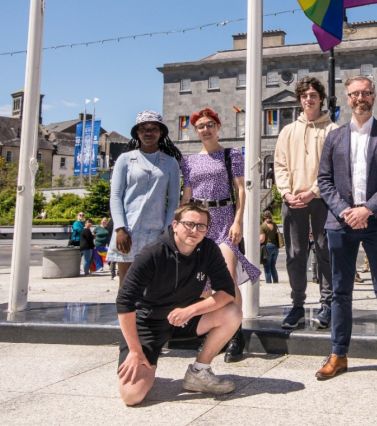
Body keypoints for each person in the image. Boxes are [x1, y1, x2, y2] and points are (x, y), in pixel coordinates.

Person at [315, 75, 377, 387]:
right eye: (354, 94)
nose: (360, 98)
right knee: (340, 292)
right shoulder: (334, 138)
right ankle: (338, 354)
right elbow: (324, 180)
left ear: (374, 96)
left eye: (365, 93)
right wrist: (345, 210)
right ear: (347, 97)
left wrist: (368, 209)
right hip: (340, 224)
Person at [116, 204, 242, 406]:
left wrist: (191, 310)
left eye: (201, 226)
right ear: (175, 225)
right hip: (149, 324)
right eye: (189, 224)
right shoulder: (152, 253)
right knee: (132, 396)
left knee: (232, 312)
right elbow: (124, 301)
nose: (195, 230)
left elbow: (227, 292)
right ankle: (148, 366)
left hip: (185, 317)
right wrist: (135, 350)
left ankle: (199, 372)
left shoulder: (208, 249)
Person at [180, 107, 261, 363]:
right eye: (201, 126)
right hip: (199, 223)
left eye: (209, 125)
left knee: (226, 276)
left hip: (224, 220)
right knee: (202, 281)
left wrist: (238, 221)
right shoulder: (189, 161)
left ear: (218, 127)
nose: (205, 129)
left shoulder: (231, 154)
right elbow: (187, 196)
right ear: (195, 131)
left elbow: (241, 191)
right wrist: (180, 223)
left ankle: (237, 332)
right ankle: (213, 327)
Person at [274, 76, 337, 330]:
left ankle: (328, 305)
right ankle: (297, 305)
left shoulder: (332, 130)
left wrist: (313, 192)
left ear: (321, 98)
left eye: (313, 95)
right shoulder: (288, 131)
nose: (308, 99)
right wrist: (286, 193)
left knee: (325, 251)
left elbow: (332, 168)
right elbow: (280, 165)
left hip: (321, 199)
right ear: (299, 100)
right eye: (304, 96)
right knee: (295, 254)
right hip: (292, 201)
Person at [106, 111, 182, 289]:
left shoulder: (170, 162)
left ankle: (149, 318)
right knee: (126, 283)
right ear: (137, 133)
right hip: (128, 229)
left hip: (157, 231)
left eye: (154, 129)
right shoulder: (125, 159)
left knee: (155, 282)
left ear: (161, 132)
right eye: (143, 129)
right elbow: (116, 196)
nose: (149, 133)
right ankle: (125, 317)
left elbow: (173, 201)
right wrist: (120, 228)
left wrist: (167, 231)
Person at [259, 211, 280, 284]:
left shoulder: (262, 226)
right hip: (275, 246)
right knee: (273, 265)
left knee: (267, 266)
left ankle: (268, 282)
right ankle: (276, 281)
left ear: (263, 217)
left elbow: (262, 239)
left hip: (267, 247)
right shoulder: (275, 225)